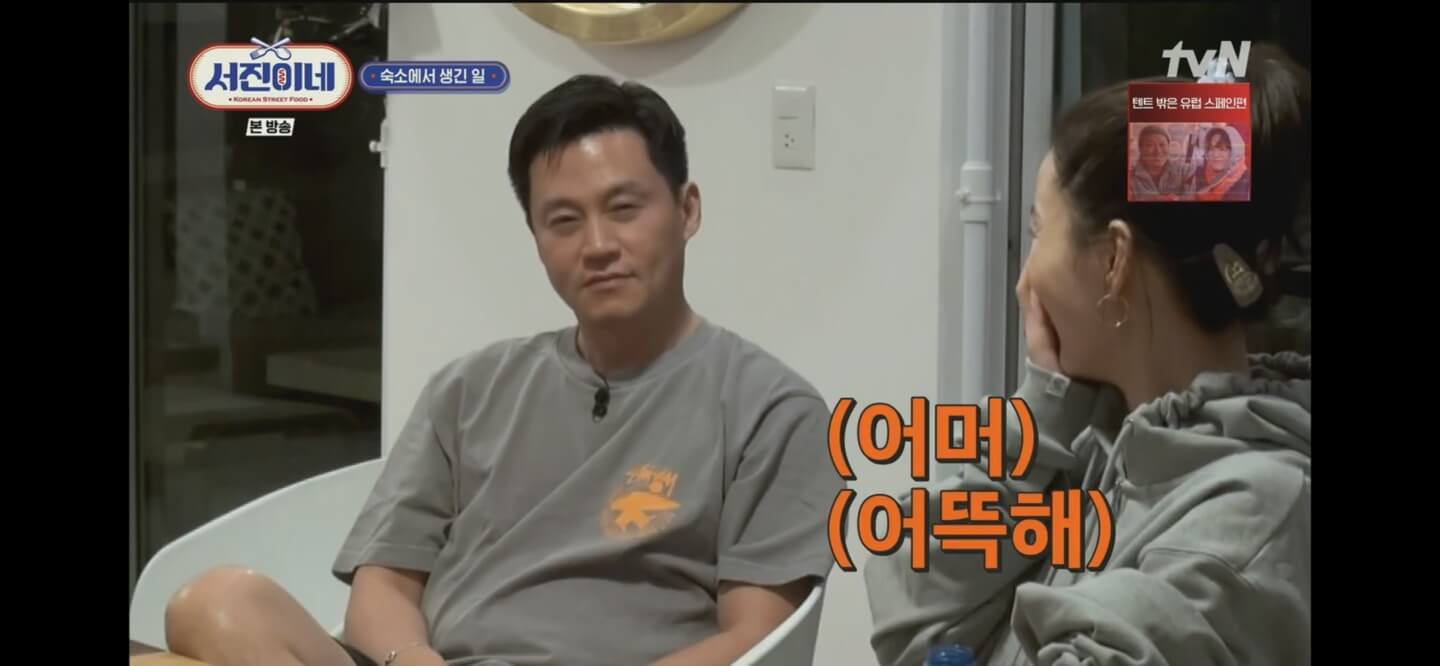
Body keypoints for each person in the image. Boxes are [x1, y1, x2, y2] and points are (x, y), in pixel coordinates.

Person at [163, 74, 845, 666]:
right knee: (215, 604)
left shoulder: (769, 408)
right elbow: (383, 587)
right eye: (564, 221)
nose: (598, 245)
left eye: (624, 209)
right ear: (537, 239)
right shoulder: (471, 390)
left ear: (686, 210)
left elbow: (755, 639)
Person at [864, 43, 1310, 665]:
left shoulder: (1247, 524)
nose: (1024, 281)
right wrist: (1041, 417)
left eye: (1039, 231)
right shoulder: (1102, 447)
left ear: (1113, 262)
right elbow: (917, 632)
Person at [1186, 126, 1252, 201]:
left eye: (1222, 149)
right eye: (1211, 149)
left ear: (1235, 152)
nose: (1215, 154)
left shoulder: (1246, 181)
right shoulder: (1199, 175)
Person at [1128, 125, 1190, 201]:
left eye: (1162, 145)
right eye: (1150, 145)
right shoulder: (1130, 177)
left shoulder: (1184, 171)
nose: (1158, 151)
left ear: (1169, 147)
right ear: (1140, 149)